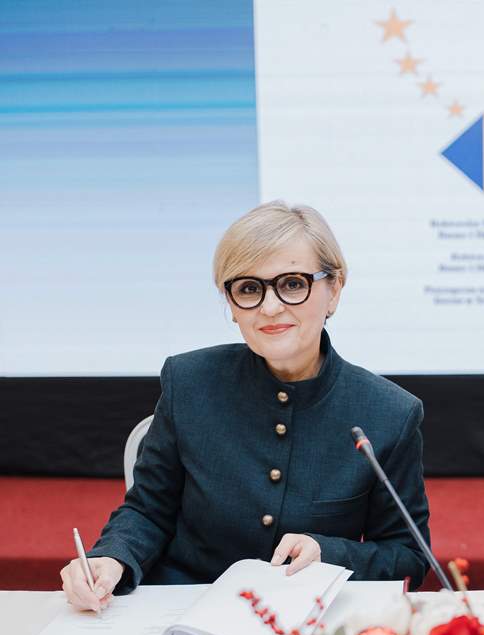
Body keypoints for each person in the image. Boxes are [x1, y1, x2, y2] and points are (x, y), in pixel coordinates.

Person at [61, 201, 431, 611]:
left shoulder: (389, 413)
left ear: (334, 290)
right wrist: (110, 558)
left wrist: (327, 553)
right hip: (184, 610)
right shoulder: (189, 382)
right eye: (249, 289)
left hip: (308, 622)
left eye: (293, 284)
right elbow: (148, 511)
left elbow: (408, 556)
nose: (270, 308)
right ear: (232, 305)